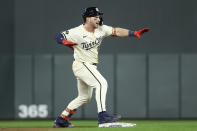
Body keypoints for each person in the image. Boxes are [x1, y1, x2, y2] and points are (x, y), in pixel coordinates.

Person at [53, 7, 150, 128]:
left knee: (84, 97)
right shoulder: (76, 32)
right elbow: (59, 36)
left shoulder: (101, 29)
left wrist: (133, 33)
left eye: (99, 16)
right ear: (88, 18)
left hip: (90, 66)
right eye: (96, 17)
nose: (99, 19)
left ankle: (61, 120)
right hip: (81, 64)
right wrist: (64, 42)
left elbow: (117, 31)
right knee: (101, 83)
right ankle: (102, 116)